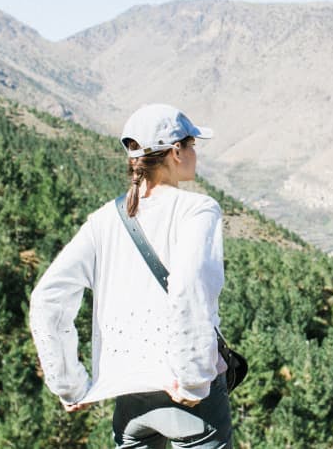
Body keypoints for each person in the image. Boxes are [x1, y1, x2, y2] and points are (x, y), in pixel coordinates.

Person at [29, 103, 232, 448]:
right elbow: (190, 290)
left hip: (128, 398)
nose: (195, 152)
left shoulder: (104, 220)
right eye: (192, 144)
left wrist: (69, 385)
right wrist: (194, 380)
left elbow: (47, 298)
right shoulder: (197, 210)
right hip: (187, 397)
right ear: (175, 151)